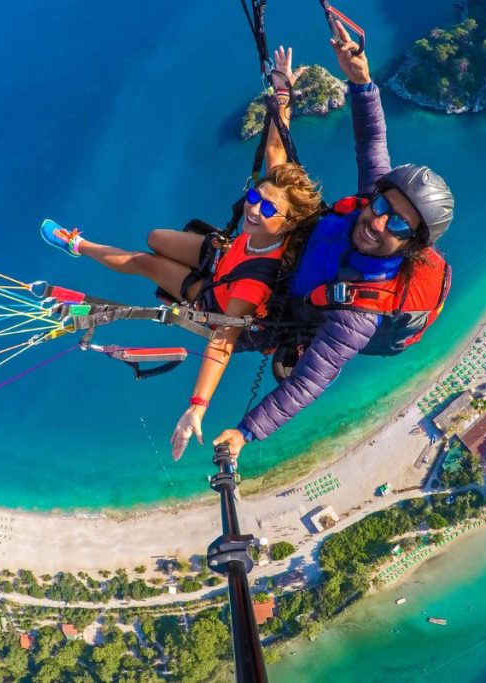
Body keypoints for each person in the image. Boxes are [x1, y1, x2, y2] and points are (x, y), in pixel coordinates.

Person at [40, 47, 324, 460]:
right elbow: (277, 151)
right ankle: (89, 247)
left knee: (147, 263)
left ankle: (77, 244)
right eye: (253, 196)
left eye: (265, 208)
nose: (252, 207)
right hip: (228, 257)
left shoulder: (255, 282)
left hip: (217, 295)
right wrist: (282, 93)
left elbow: (222, 342)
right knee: (155, 236)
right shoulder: (265, 222)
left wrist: (196, 407)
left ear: (288, 223)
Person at [209, 20, 455, 459]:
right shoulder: (371, 202)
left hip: (284, 310)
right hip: (293, 262)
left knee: (203, 309)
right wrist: (360, 81)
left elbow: (307, 383)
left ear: (413, 247)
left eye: (398, 226)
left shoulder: (358, 314)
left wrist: (245, 432)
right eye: (381, 207)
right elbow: (372, 141)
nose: (379, 222)